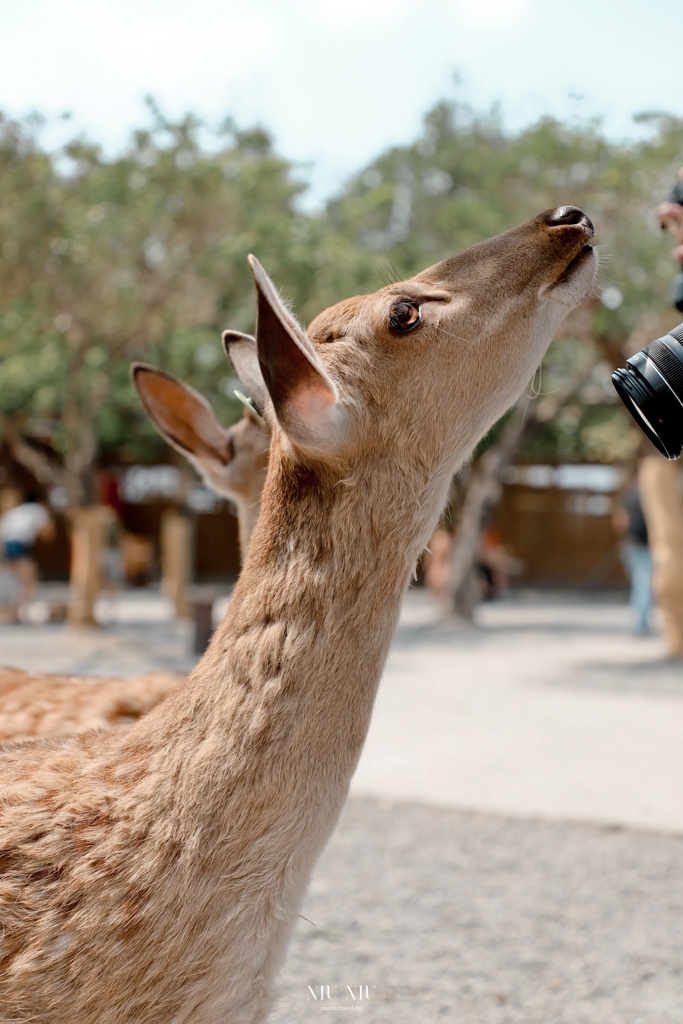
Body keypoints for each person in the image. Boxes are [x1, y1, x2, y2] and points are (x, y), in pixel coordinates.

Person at [0, 491, 55, 613]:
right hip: (18, 545)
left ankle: (17, 608)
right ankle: (22, 609)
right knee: (29, 578)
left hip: (7, 545)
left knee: (20, 578)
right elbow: (48, 534)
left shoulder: (16, 511)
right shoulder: (39, 509)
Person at [613, 484, 652, 634]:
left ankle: (641, 622)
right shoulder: (647, 494)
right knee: (643, 584)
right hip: (642, 546)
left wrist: (626, 535)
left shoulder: (629, 495)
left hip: (632, 544)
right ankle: (640, 624)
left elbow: (620, 520)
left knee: (640, 584)